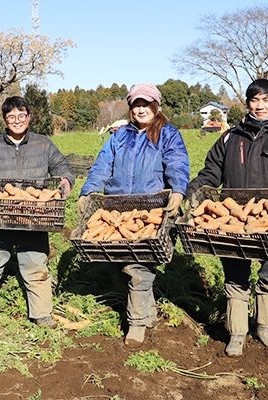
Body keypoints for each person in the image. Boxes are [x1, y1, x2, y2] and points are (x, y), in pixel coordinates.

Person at [187, 78, 268, 357]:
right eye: (255, 100)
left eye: (266, 100)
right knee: (236, 277)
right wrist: (192, 192)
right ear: (247, 104)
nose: (260, 106)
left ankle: (263, 328)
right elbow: (210, 173)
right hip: (233, 219)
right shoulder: (230, 137)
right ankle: (237, 333)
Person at [78, 83, 190, 344]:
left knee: (138, 265)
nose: (140, 109)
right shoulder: (119, 136)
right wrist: (88, 190)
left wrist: (177, 190)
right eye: (136, 105)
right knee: (123, 263)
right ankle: (147, 313)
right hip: (118, 208)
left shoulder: (167, 134)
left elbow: (177, 162)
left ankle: (137, 323)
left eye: (145, 104)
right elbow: (102, 164)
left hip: (151, 208)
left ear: (156, 106)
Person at [0, 96, 74, 328]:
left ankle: (41, 314)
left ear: (29, 117)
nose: (17, 121)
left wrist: (65, 181)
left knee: (35, 264)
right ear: (5, 120)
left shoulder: (43, 144)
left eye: (21, 116)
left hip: (34, 216)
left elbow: (61, 166)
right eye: (11, 116)